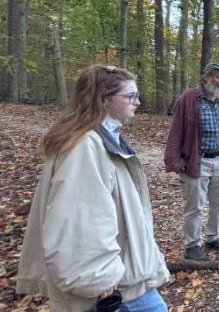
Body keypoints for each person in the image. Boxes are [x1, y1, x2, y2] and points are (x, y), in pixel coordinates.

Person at [15, 65, 170, 312]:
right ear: (104, 99)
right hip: (113, 292)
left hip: (124, 280)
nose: (138, 102)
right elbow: (80, 218)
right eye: (130, 96)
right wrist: (97, 277)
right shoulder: (85, 146)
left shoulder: (99, 138)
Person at [164, 62, 219, 261]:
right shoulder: (189, 98)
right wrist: (176, 159)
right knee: (195, 206)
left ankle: (213, 236)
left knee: (218, 203)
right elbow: (176, 130)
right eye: (216, 76)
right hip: (197, 161)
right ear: (205, 77)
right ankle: (192, 244)